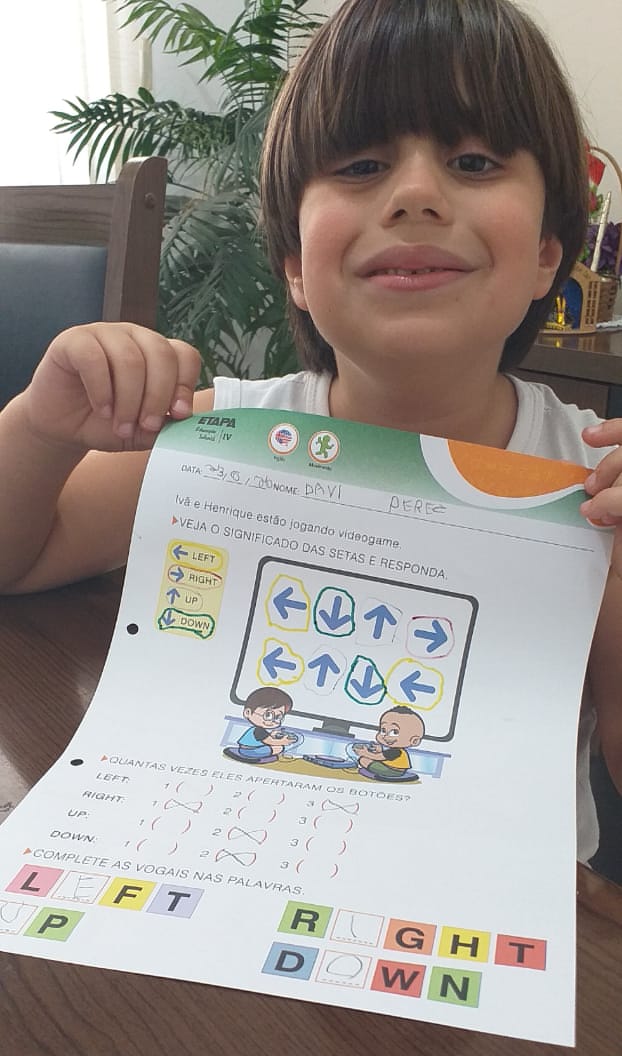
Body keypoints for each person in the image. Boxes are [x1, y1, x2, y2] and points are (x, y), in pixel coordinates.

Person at [0, 0, 621, 870]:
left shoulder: (595, 479)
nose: (415, 194)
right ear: (294, 263)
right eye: (361, 166)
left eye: (474, 161)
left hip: (498, 905)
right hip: (227, 861)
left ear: (549, 251)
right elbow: (17, 559)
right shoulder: (225, 440)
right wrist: (40, 424)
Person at [354, 706, 425, 779]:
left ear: (414, 741)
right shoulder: (394, 750)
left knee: (363, 760)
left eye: (394, 732)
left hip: (392, 771)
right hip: (390, 767)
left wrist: (365, 753)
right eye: (383, 731)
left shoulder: (396, 751)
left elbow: (378, 757)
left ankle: (375, 773)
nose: (385, 736)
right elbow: (385, 756)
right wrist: (379, 750)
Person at [233, 687, 296, 762]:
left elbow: (265, 738)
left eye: (278, 717)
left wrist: (272, 734)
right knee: (279, 748)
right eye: (268, 715)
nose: (273, 721)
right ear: (248, 713)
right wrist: (283, 741)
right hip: (249, 751)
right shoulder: (258, 730)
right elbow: (269, 741)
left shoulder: (259, 730)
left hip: (247, 749)